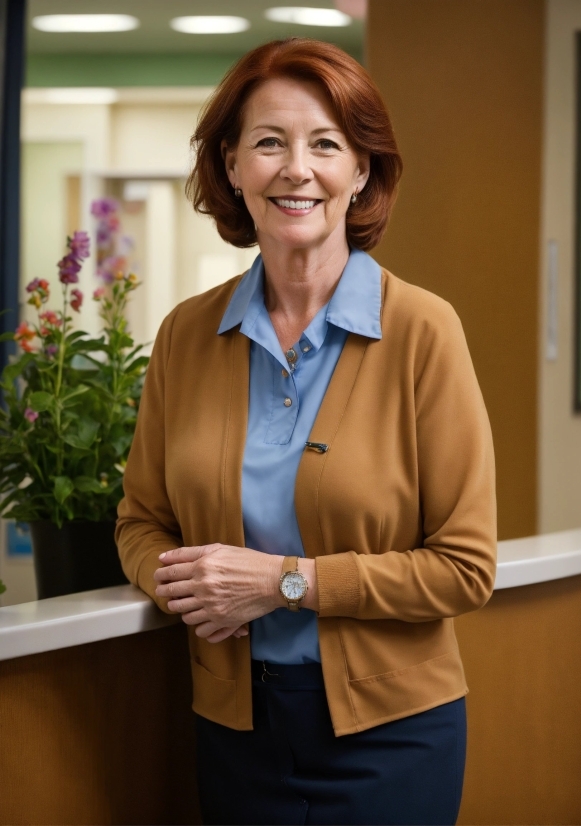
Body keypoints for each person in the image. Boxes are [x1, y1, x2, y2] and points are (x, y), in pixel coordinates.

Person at [116, 38, 497, 826]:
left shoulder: (425, 331)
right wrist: (189, 590)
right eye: (268, 143)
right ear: (231, 166)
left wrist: (284, 582)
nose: (298, 169)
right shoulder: (186, 335)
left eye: (326, 143)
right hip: (233, 732)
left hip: (393, 738)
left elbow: (464, 568)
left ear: (361, 171)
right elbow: (140, 523)